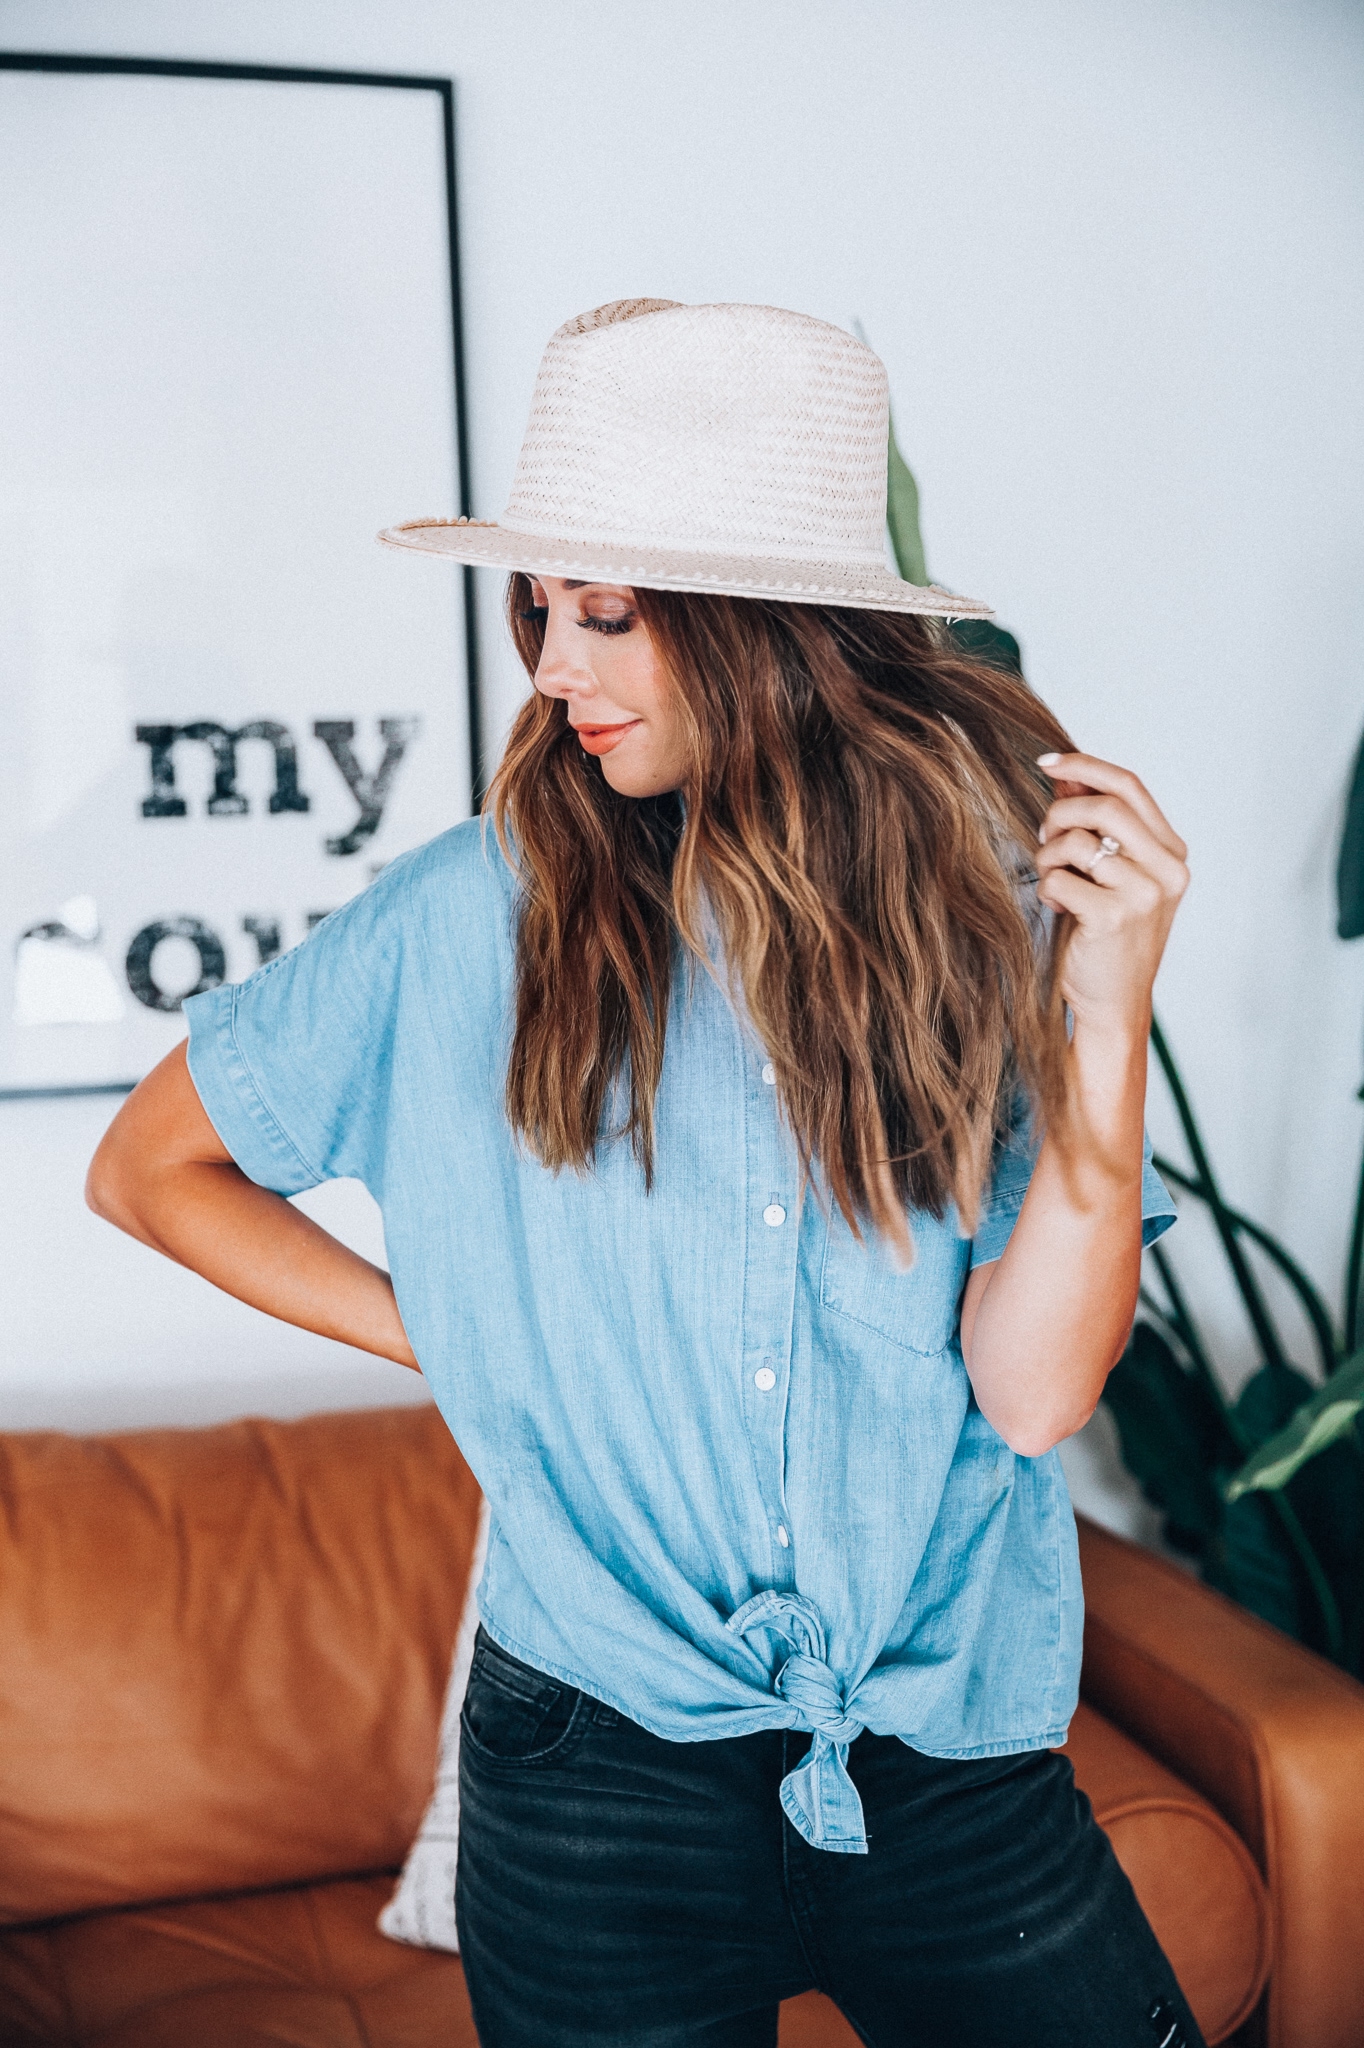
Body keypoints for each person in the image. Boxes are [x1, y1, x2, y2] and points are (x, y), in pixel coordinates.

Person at [88, 299, 1195, 2048]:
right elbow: (152, 1169)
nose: (547, 665)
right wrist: (463, 1331)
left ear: (777, 634)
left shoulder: (993, 925)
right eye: (540, 604)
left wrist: (1107, 1016)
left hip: (948, 1753)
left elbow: (1038, 1388)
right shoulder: (469, 918)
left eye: (607, 613)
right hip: (595, 1775)